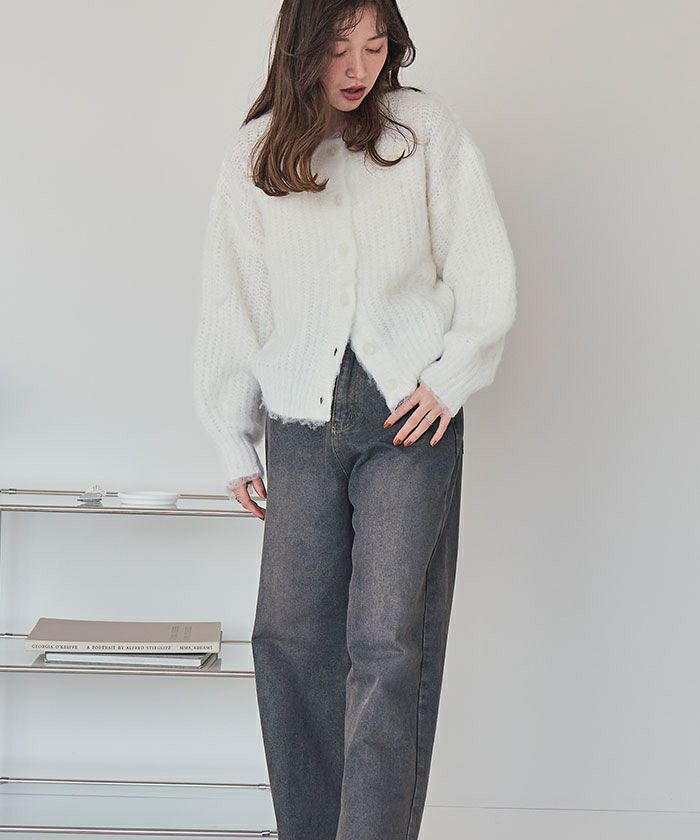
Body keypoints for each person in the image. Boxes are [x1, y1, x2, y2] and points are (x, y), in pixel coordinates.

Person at [192, 1, 517, 838]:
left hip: (408, 417)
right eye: (340, 49)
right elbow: (233, 299)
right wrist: (231, 436)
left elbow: (481, 263)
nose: (358, 68)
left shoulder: (423, 131)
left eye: (375, 48)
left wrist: (450, 378)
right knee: (287, 637)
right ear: (302, 48)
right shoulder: (255, 153)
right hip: (298, 419)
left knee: (386, 642)